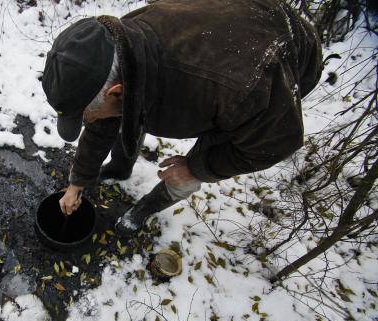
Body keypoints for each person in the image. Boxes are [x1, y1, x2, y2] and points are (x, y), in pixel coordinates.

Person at [41, 0, 323, 235]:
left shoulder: (233, 92)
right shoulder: (119, 47)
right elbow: (104, 118)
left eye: (87, 115)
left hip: (286, 54)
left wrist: (196, 166)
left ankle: (143, 210)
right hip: (225, 36)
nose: (89, 121)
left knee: (202, 157)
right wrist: (78, 182)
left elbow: (276, 142)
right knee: (125, 111)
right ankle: (120, 167)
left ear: (116, 92)